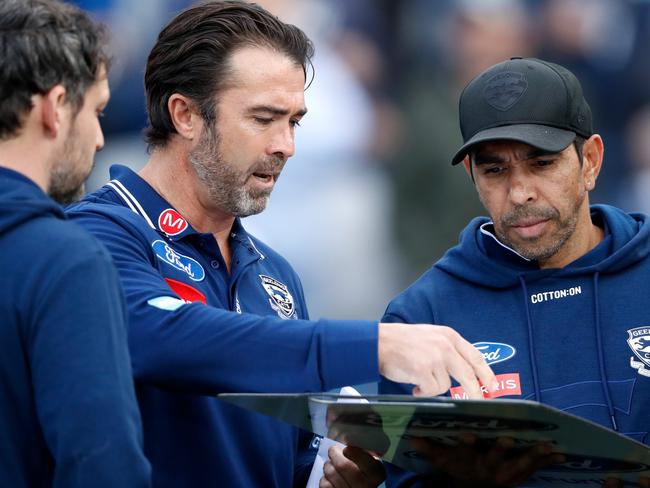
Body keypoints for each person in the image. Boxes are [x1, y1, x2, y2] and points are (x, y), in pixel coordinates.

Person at [65, 2, 497, 487]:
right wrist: (376, 345)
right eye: (263, 119)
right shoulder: (96, 235)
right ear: (185, 115)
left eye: (294, 122)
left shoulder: (276, 277)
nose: (286, 145)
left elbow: (294, 462)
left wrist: (338, 477)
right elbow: (162, 339)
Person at [379, 57, 650, 486]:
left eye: (542, 163)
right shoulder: (419, 318)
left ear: (591, 161)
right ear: (472, 175)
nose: (520, 192)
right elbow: (405, 476)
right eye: (495, 170)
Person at [0, 0, 150, 486]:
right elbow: (104, 466)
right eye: (98, 110)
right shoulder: (65, 261)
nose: (101, 138)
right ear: (55, 106)